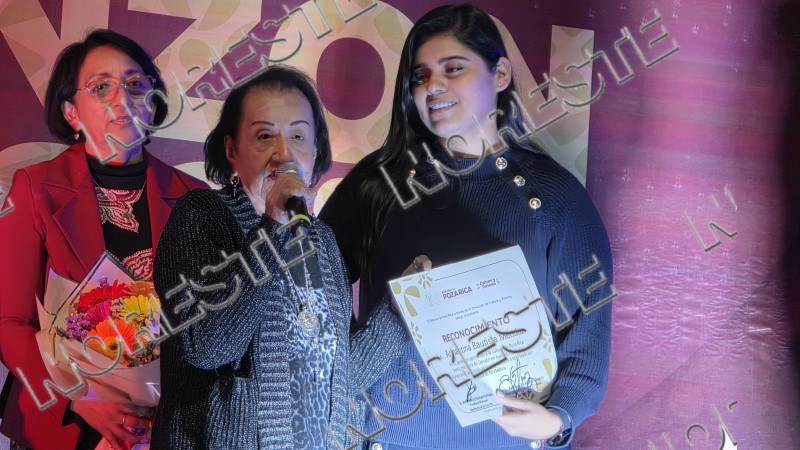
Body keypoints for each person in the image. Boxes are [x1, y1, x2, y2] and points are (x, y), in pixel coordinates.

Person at [319, 4, 614, 449]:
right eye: (420, 76)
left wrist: (558, 418)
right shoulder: (379, 184)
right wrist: (345, 384)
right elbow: (309, 296)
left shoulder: (554, 196)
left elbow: (589, 323)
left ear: (500, 74)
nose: (432, 86)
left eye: (453, 68)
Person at [150, 65, 408, 450]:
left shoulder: (322, 240)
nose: (283, 154)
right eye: (264, 135)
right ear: (232, 150)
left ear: (316, 150)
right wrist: (272, 228)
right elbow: (206, 346)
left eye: (298, 136)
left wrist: (401, 309)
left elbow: (341, 375)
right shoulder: (200, 215)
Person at [0, 29, 206, 450]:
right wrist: (79, 397)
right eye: (101, 87)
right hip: (65, 426)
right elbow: (9, 324)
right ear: (72, 113)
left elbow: (206, 329)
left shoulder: (195, 199)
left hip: (163, 429)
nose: (122, 99)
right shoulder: (35, 189)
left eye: (135, 85)